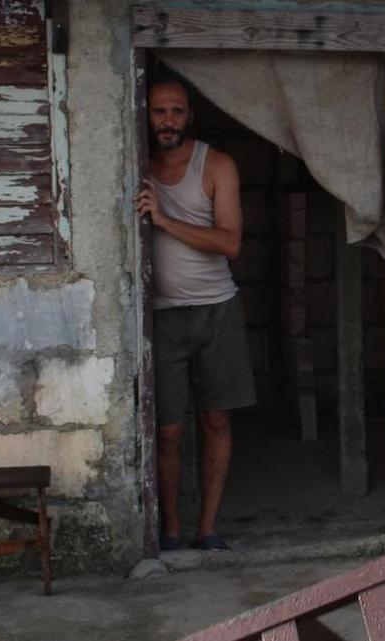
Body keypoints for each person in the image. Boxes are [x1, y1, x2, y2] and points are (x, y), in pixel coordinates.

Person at [134, 73, 255, 552]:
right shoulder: (136, 162)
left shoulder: (216, 165)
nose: (167, 120)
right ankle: (172, 531)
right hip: (162, 316)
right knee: (167, 430)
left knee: (215, 422)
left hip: (216, 310)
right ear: (146, 114)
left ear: (190, 116)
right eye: (159, 111)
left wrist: (164, 218)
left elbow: (230, 243)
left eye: (176, 111)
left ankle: (208, 529)